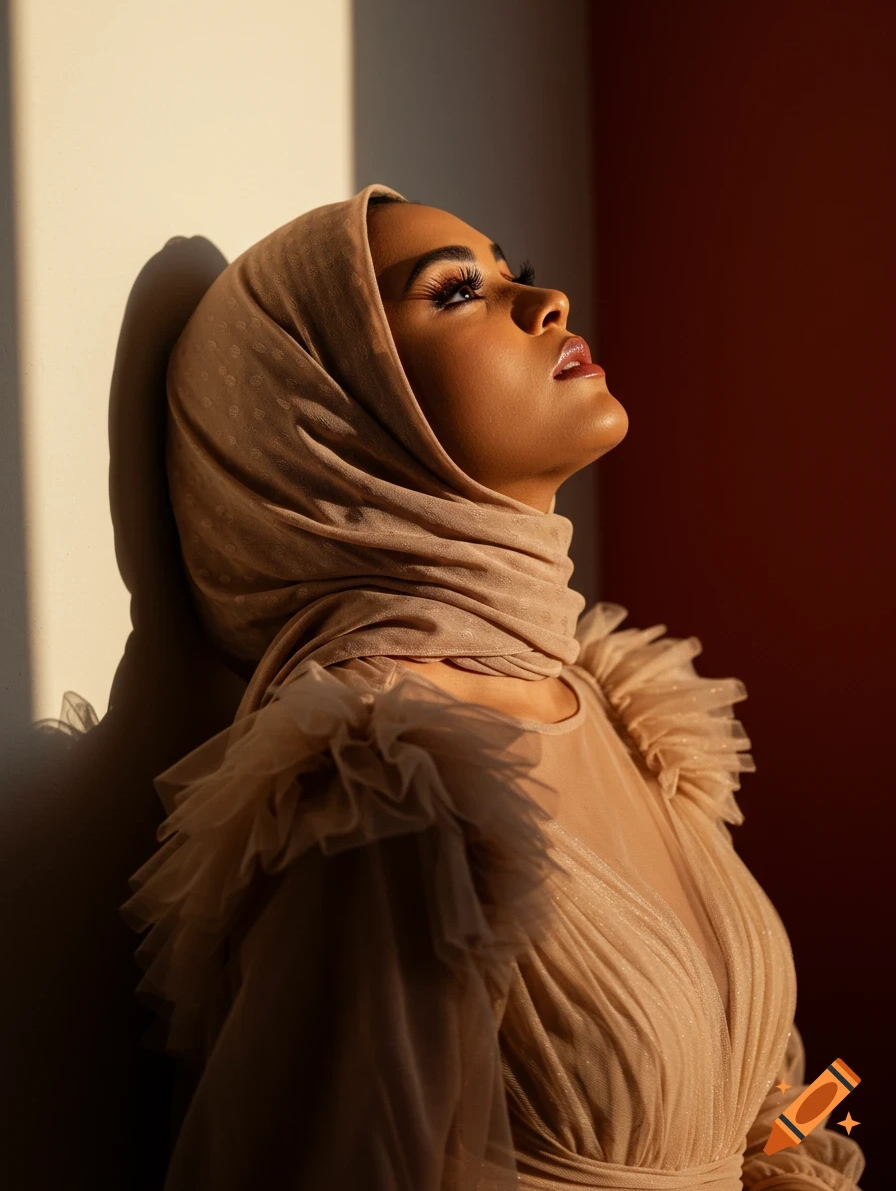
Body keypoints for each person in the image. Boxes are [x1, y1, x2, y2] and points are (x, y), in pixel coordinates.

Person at [115, 185, 865, 1189]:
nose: (546, 298)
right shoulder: (380, 778)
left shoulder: (618, 709)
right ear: (336, 418)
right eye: (456, 289)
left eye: (507, 265)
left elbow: (759, 1116)